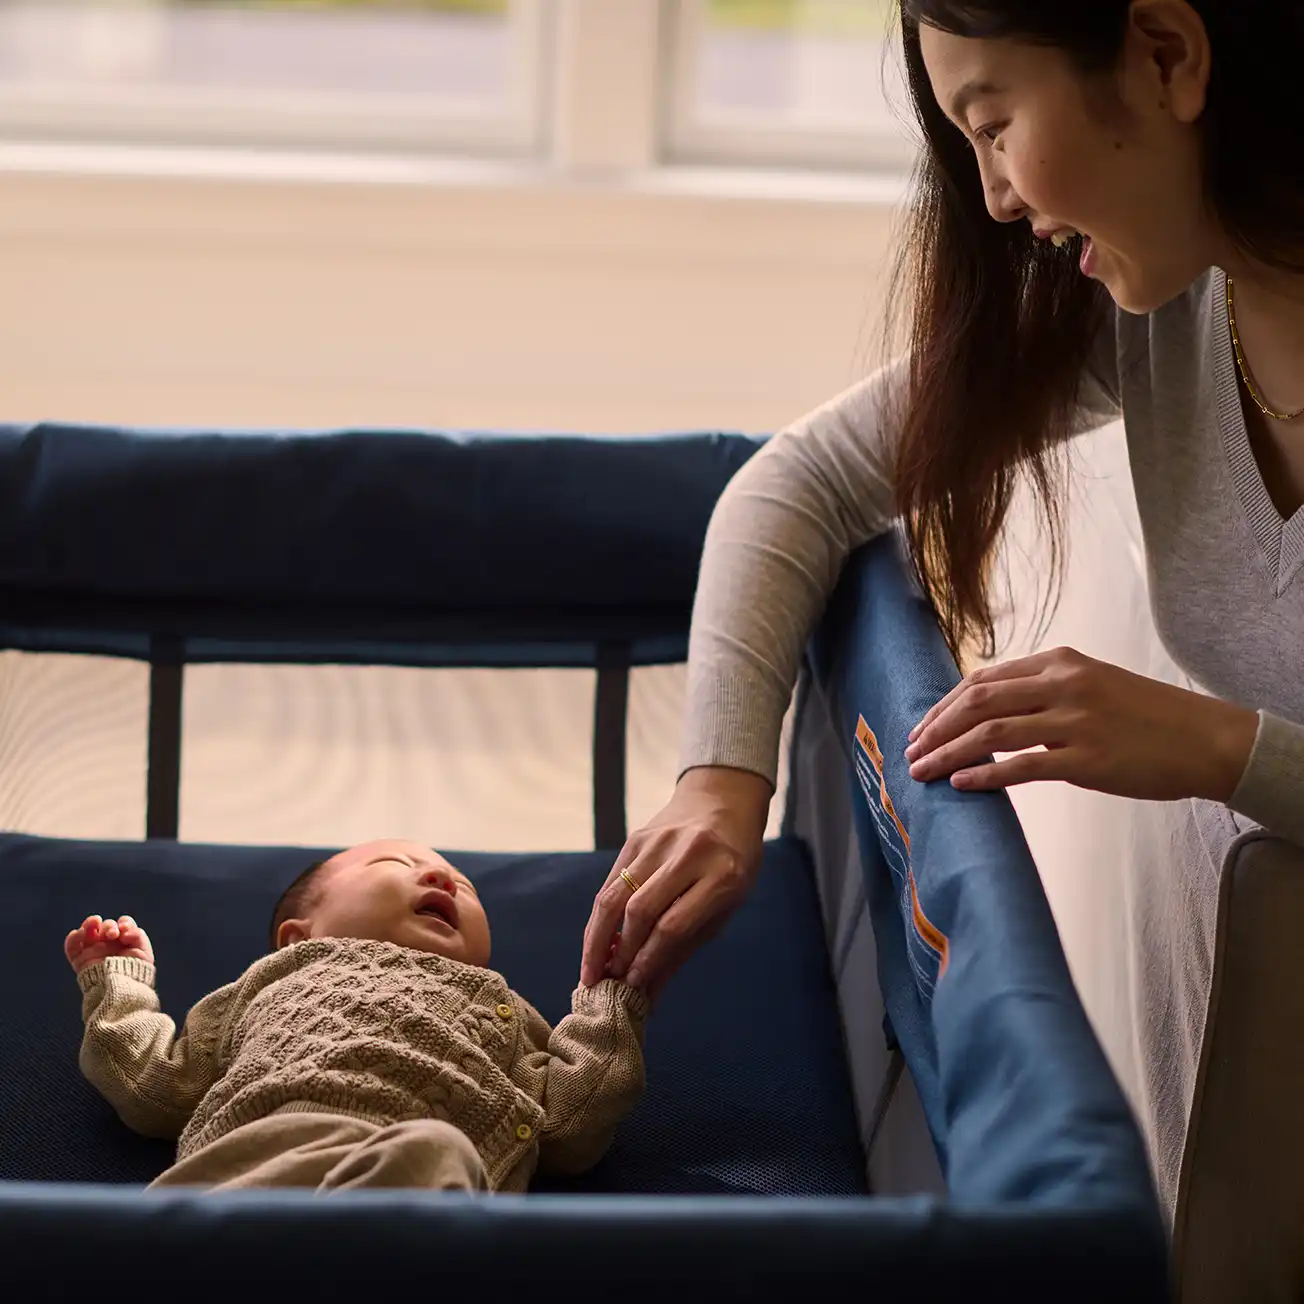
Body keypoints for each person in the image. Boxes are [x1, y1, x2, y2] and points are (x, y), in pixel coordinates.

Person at [581, 0, 1304, 1001]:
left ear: (1166, 56)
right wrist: (719, 779)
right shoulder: (1166, 317)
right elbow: (800, 482)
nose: (995, 198)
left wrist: (1218, 746)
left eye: (994, 124)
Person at [66, 839, 646, 1192]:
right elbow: (152, 1086)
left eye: (464, 886)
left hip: (416, 1177)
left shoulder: (503, 1011)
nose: (443, 876)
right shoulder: (268, 982)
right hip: (248, 1167)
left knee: (433, 1154)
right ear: (298, 936)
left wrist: (608, 996)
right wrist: (119, 982)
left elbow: (569, 1127)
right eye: (397, 861)